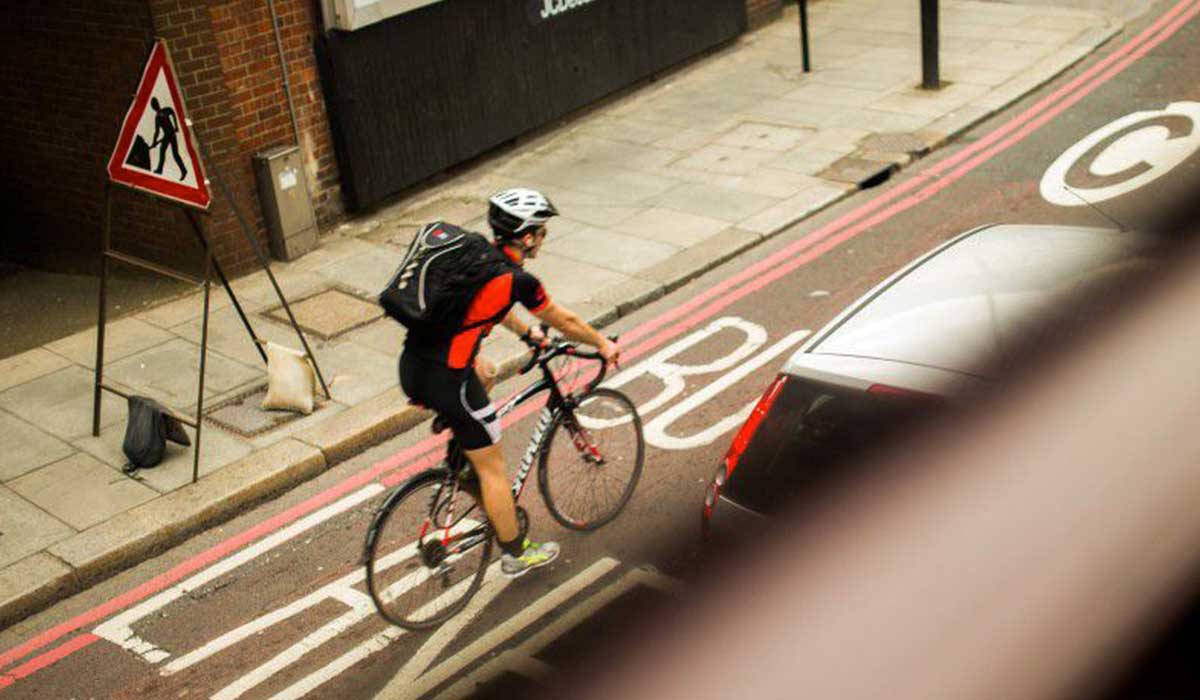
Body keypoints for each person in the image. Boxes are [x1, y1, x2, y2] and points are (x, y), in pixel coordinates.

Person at [398, 188, 620, 578]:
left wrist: (527, 333)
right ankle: (517, 552)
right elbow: (564, 321)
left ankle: (461, 461)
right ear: (528, 236)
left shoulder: (478, 257)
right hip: (448, 379)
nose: (543, 238)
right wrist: (602, 343)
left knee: (486, 371)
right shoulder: (519, 279)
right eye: (542, 231)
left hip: (413, 367)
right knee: (493, 469)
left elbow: (494, 305)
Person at [149, 97, 187, 181]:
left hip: (171, 135)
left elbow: (172, 112)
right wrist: (154, 142)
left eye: (155, 105)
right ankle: (160, 169)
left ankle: (183, 170)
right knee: (164, 152)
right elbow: (157, 131)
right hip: (167, 135)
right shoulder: (160, 115)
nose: (155, 107)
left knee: (173, 154)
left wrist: (176, 126)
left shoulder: (163, 113)